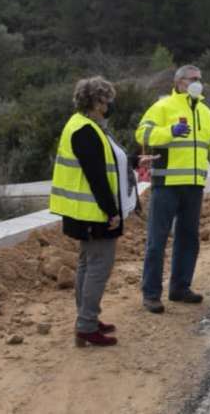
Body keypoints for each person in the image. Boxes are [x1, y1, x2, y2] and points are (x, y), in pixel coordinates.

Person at [135, 65, 210, 313]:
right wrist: (169, 132)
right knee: (157, 240)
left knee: (188, 238)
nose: (198, 83)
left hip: (194, 187)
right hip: (166, 185)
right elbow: (142, 134)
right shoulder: (163, 107)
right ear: (178, 82)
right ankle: (151, 293)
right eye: (192, 79)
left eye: (200, 79)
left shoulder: (206, 113)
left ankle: (180, 287)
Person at [49, 76, 131, 347]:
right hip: (93, 213)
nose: (111, 105)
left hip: (82, 211)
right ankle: (86, 324)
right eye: (108, 100)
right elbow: (96, 176)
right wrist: (112, 212)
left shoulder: (82, 125)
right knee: (98, 266)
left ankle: (86, 319)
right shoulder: (86, 130)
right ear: (97, 102)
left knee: (86, 265)